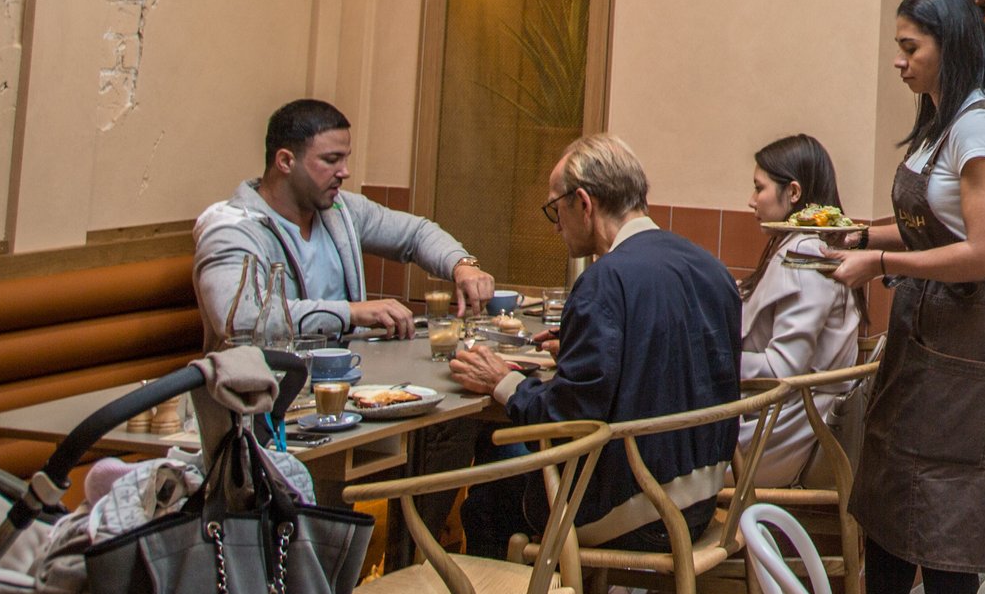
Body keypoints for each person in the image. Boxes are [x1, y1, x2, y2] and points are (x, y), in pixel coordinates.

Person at [825, 0, 985, 594]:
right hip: (926, 331)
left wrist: (881, 260)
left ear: (951, 46)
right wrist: (860, 232)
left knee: (944, 513)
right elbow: (928, 222)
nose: (899, 60)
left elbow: (984, 250)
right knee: (890, 497)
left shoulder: (981, 126)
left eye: (910, 47)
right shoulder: (942, 118)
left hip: (966, 340)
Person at [450, 135, 742, 553]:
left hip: (635, 509)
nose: (555, 225)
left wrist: (503, 382)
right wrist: (581, 347)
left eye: (556, 208)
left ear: (584, 203)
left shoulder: (605, 281)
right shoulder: (710, 267)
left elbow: (570, 424)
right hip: (699, 498)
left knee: (493, 479)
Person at [193, 98, 494, 347]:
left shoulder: (340, 209)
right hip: (266, 398)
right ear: (285, 161)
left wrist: (462, 265)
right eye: (331, 160)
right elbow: (242, 318)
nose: (345, 172)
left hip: (347, 383)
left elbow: (416, 234)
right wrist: (351, 313)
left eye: (346, 159)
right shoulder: (231, 230)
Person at [739, 133, 863, 486]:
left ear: (793, 193)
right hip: (781, 420)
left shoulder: (805, 254)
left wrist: (710, 358)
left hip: (780, 432)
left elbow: (781, 370)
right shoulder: (800, 246)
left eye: (758, 188)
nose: (751, 201)